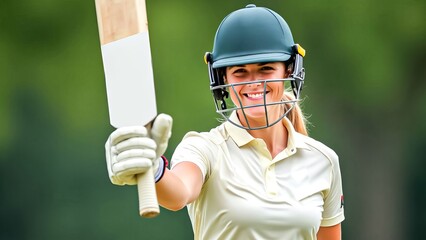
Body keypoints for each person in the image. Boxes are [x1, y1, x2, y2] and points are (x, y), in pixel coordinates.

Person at [105, 4, 345, 240]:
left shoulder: (323, 160)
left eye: (266, 68)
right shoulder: (205, 148)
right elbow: (179, 193)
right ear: (222, 79)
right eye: (240, 71)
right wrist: (154, 169)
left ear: (288, 71)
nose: (254, 82)